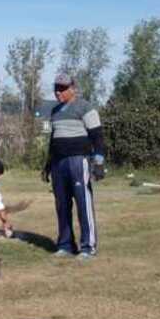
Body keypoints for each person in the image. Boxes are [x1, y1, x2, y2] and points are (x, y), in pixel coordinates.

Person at [41, 74, 105, 260]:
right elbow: (53, 140)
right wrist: (48, 164)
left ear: (72, 88)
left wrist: (98, 162)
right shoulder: (55, 111)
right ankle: (65, 244)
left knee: (83, 203)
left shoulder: (85, 108)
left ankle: (88, 247)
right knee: (62, 205)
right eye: (56, 88)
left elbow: (97, 136)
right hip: (58, 163)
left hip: (78, 161)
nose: (58, 92)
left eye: (62, 88)